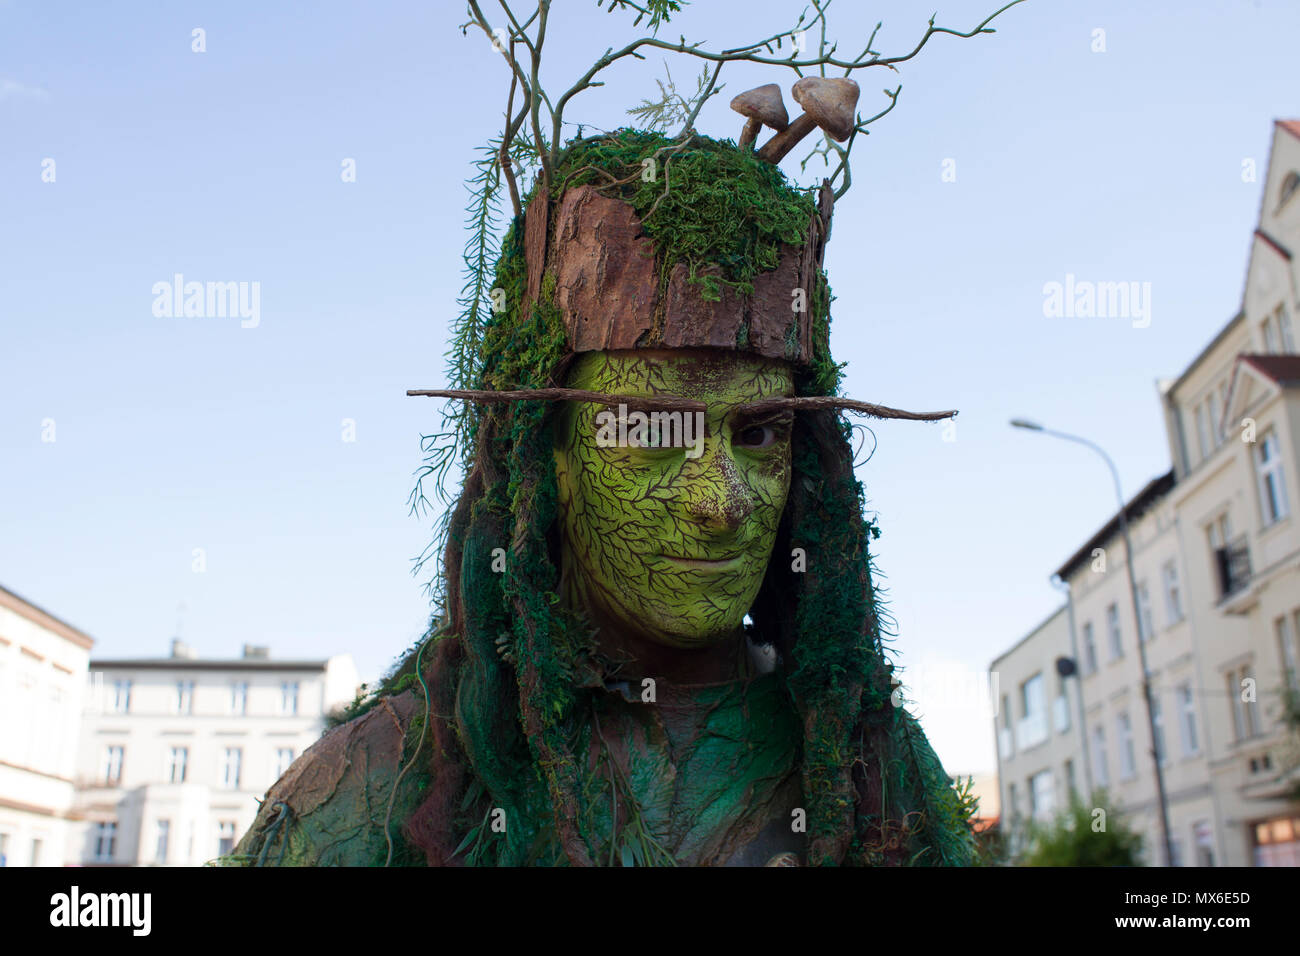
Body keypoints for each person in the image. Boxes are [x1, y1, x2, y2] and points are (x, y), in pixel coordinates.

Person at [228, 130, 977, 867]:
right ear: (549, 448)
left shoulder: (872, 766)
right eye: (652, 431)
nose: (721, 502)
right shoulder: (389, 775)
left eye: (758, 437)